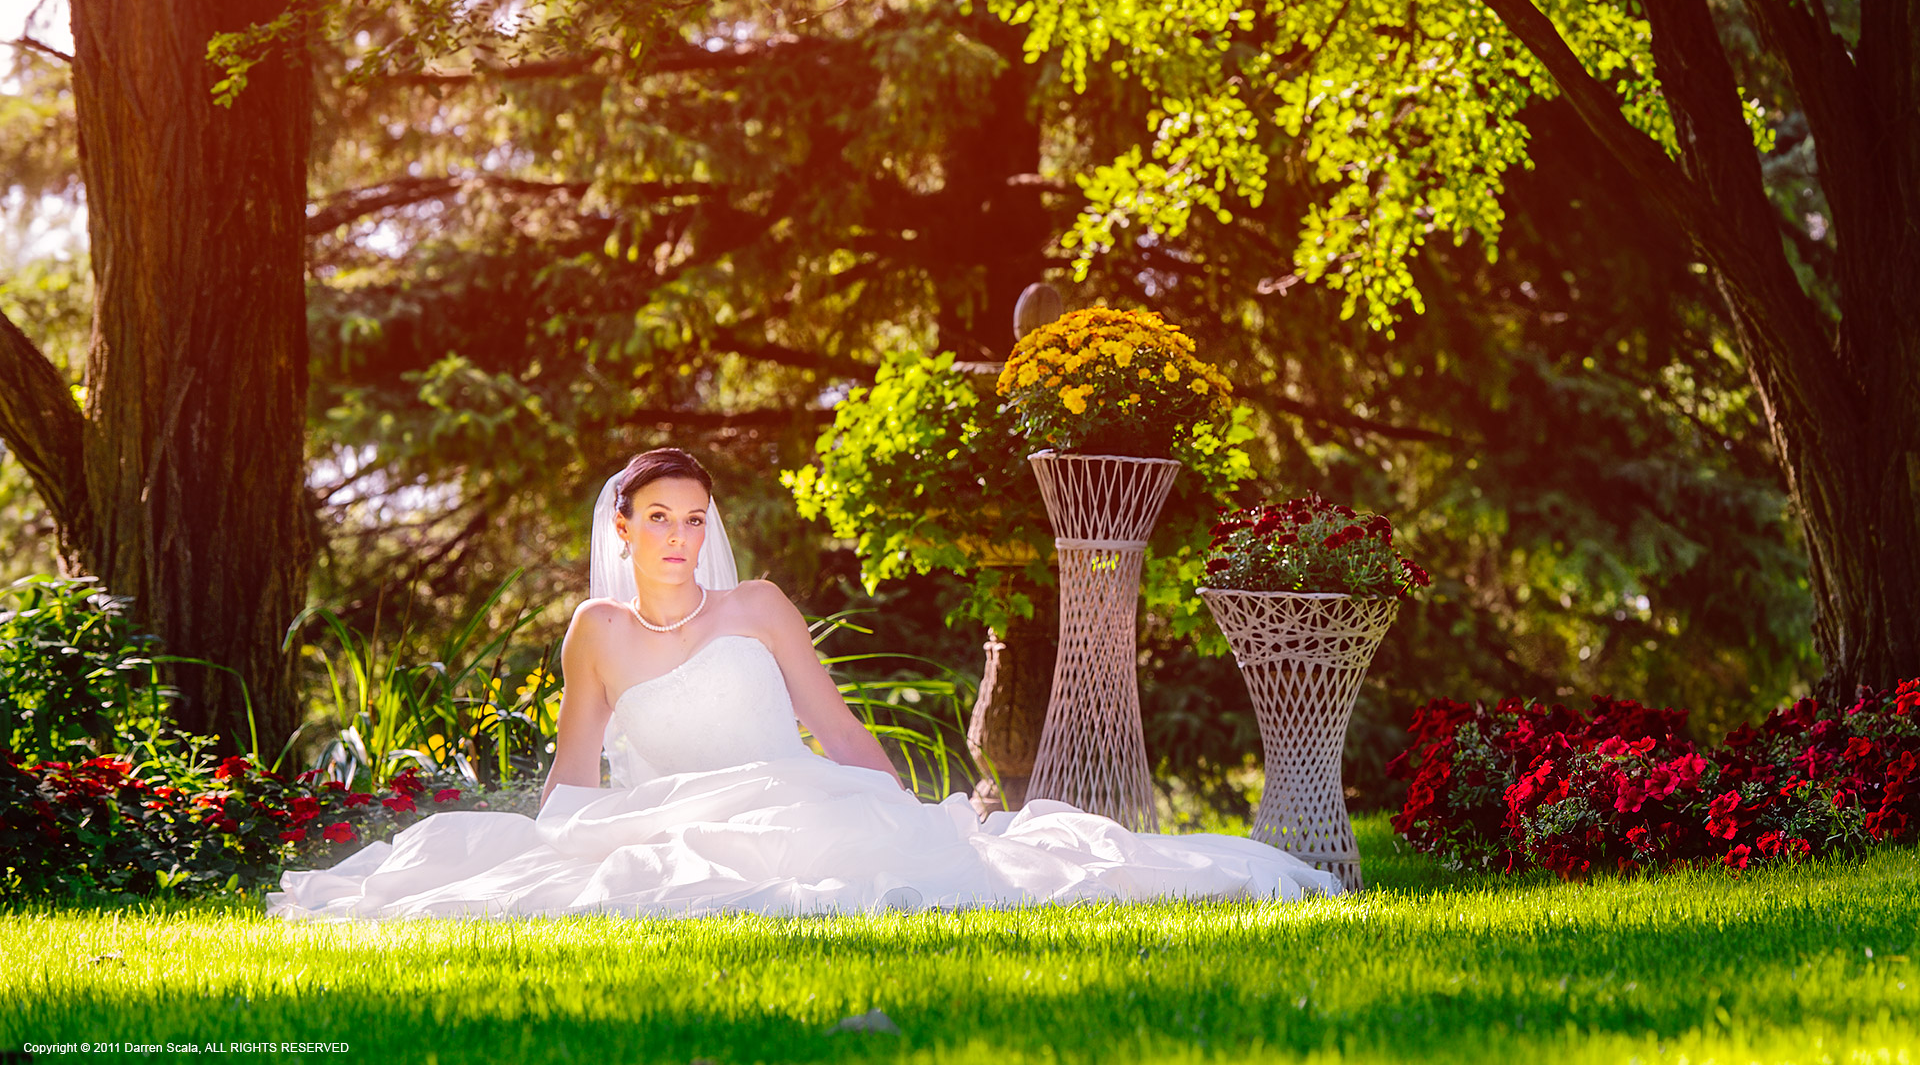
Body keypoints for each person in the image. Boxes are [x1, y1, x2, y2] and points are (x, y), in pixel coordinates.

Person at [266, 448, 1342, 920]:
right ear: (622, 530)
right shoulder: (594, 631)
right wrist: (554, 843)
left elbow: (838, 728)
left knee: (869, 846)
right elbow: (575, 771)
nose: (680, 536)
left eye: (694, 519)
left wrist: (906, 806)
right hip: (677, 812)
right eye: (659, 518)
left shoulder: (759, 604)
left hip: (800, 794)